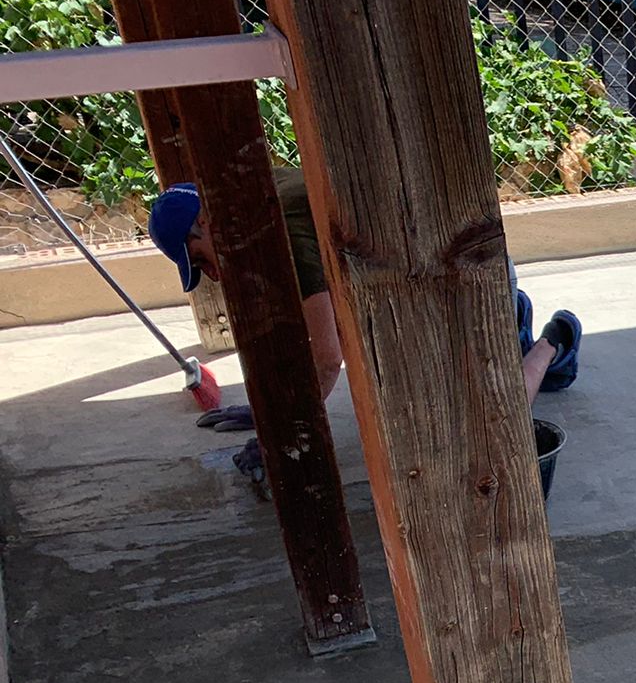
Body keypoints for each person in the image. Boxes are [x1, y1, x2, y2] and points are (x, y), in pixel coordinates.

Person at [147, 169, 580, 475]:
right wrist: (273, 412)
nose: (215, 276)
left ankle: (552, 341)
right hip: (428, 277)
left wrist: (281, 436)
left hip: (467, 282)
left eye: (202, 259)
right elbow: (300, 327)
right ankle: (509, 320)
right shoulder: (258, 188)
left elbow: (326, 357)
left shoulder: (278, 228)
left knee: (490, 431)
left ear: (205, 221)